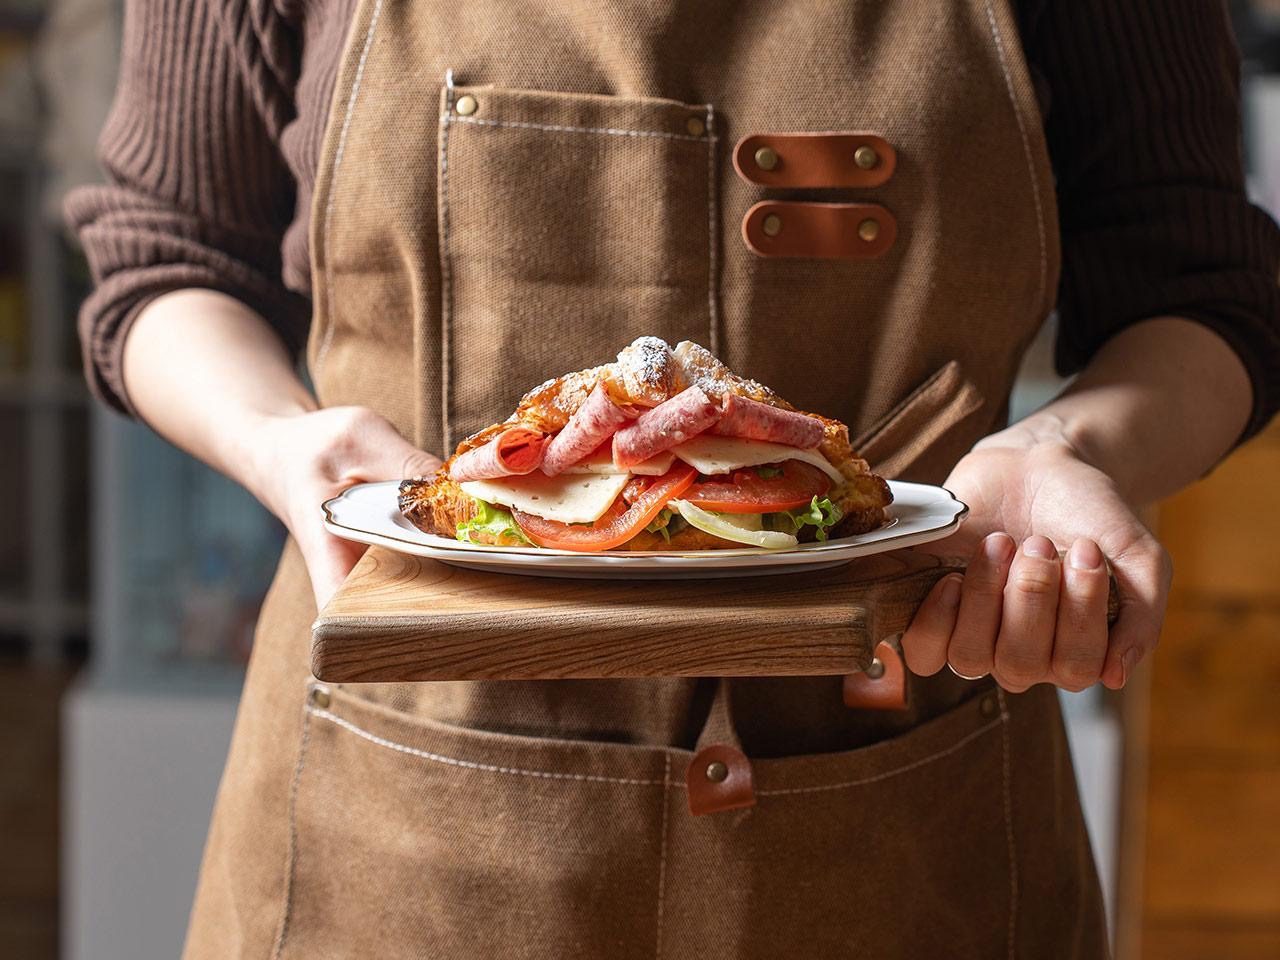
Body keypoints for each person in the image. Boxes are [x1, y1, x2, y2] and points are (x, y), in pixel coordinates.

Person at [68, 0, 1279, 957]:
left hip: (910, 825)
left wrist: (1067, 450)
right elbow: (164, 260)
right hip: (398, 827)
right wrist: (290, 444)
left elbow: (1202, 292)